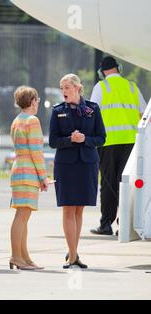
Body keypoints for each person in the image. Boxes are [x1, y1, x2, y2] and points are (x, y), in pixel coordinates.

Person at [49, 74, 106, 269]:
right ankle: (73, 256)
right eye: (61, 87)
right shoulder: (57, 111)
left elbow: (101, 138)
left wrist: (85, 140)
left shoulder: (93, 109)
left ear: (77, 88)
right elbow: (53, 141)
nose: (64, 91)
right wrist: (70, 140)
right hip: (66, 165)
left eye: (67, 87)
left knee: (79, 209)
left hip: (87, 164)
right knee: (68, 209)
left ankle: (73, 253)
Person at [89, 56, 147, 236]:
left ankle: (106, 224)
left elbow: (91, 112)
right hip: (130, 142)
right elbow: (144, 112)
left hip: (108, 142)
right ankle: (125, 224)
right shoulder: (132, 87)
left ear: (102, 72)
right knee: (127, 184)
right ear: (118, 68)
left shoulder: (101, 87)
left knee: (108, 184)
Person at [9, 86, 49, 270]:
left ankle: (24, 257)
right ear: (33, 101)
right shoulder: (32, 120)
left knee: (23, 216)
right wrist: (44, 176)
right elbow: (36, 151)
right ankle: (17, 257)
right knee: (22, 216)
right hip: (28, 171)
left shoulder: (17, 120)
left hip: (19, 169)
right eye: (37, 100)